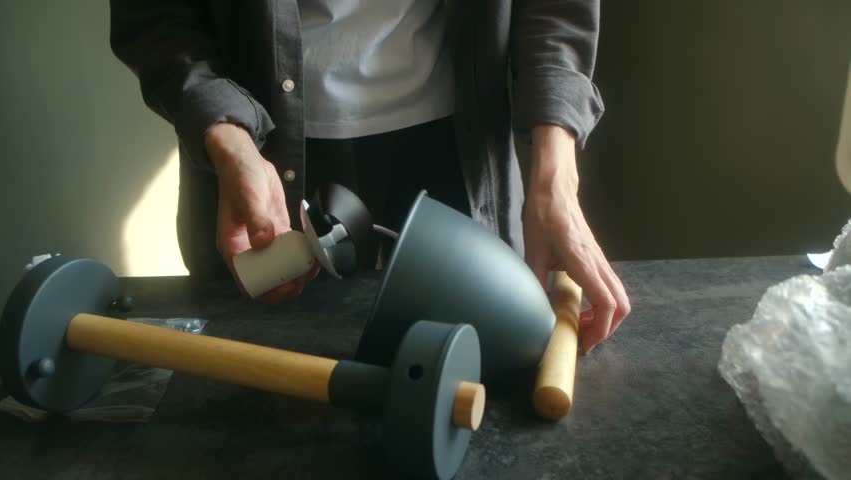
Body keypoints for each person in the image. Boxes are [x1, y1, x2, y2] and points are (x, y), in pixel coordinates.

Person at [109, 0, 630, 353]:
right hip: (258, 154)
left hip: (458, 155)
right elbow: (157, 15)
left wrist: (555, 183)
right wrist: (229, 142)